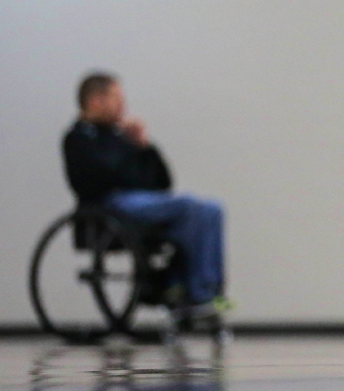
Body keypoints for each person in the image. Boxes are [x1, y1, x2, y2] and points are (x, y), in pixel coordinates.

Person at [62, 72, 228, 315]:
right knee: (188, 205)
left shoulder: (123, 138)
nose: (123, 106)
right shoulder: (78, 139)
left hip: (143, 204)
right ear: (96, 100)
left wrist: (144, 147)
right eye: (116, 99)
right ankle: (199, 292)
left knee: (211, 209)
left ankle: (198, 289)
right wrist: (129, 159)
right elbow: (103, 179)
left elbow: (162, 183)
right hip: (109, 206)